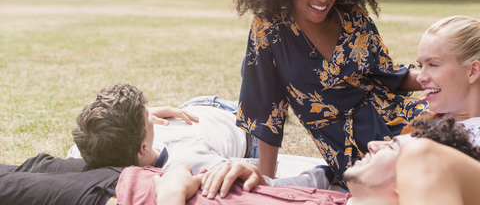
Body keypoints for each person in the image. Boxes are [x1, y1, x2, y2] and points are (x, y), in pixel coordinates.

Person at [231, 0, 427, 185]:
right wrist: (267, 181)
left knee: (457, 138)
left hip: (400, 117)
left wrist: (436, 76)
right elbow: (266, 110)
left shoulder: (354, 18)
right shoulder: (269, 31)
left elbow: (389, 75)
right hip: (356, 153)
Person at [114, 114, 480, 205]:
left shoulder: (423, 156)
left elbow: (426, 155)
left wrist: (171, 195)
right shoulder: (336, 197)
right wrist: (259, 176)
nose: (372, 146)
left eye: (392, 148)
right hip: (140, 177)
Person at [71, 83, 263, 174]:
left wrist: (144, 115)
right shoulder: (188, 164)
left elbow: (84, 136)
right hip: (243, 127)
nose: (149, 113)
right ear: (143, 148)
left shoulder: (90, 145)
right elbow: (255, 171)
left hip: (191, 107)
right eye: (146, 118)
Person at [402, 15, 480, 145]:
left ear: (472, 71)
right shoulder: (419, 128)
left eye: (433, 64)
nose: (420, 78)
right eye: (421, 66)